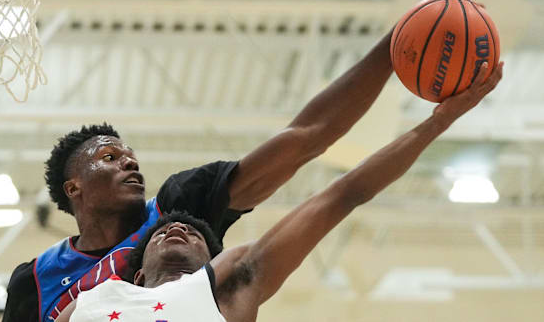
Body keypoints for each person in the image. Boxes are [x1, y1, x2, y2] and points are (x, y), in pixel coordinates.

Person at [2, 0, 503, 321]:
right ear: (73, 188)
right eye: (110, 157)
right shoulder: (41, 283)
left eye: (129, 153)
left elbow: (310, 139)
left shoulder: (180, 210)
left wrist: (402, 46)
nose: (130, 159)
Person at [58, 61, 505, 322]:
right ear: (135, 274)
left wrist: (437, 123)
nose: (176, 230)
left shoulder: (229, 287)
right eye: (163, 232)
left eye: (194, 234)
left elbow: (344, 194)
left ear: (214, 264)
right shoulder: (89, 304)